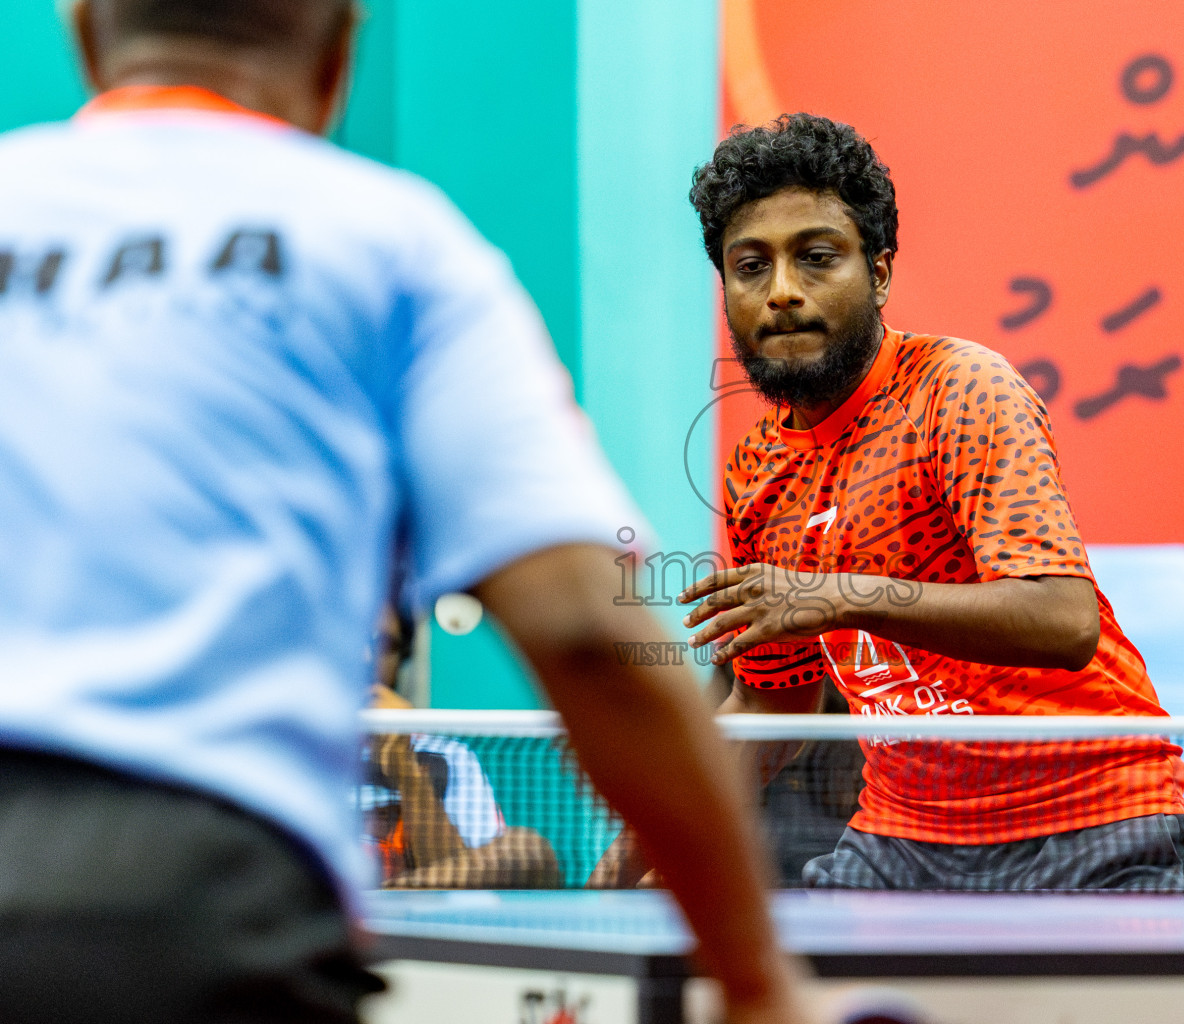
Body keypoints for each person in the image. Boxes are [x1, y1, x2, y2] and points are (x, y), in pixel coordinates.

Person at [0, 3, 807, 1022]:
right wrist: (756, 982)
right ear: (341, 54)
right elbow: (583, 628)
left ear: (85, 34)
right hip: (209, 912)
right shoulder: (391, 242)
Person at [678, 113, 1184, 891]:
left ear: (881, 271)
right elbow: (772, 708)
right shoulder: (756, 471)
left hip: (1092, 821)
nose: (782, 292)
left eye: (817, 258)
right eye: (750, 267)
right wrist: (654, 835)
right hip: (904, 839)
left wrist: (836, 597)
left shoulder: (959, 391)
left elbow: (1061, 620)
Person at [363, 607, 560, 889]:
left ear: (400, 659)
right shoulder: (289, 752)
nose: (367, 659)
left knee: (527, 849)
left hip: (420, 916)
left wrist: (405, 768)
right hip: (312, 913)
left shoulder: (450, 758)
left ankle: (384, 900)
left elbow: (463, 878)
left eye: (383, 646)